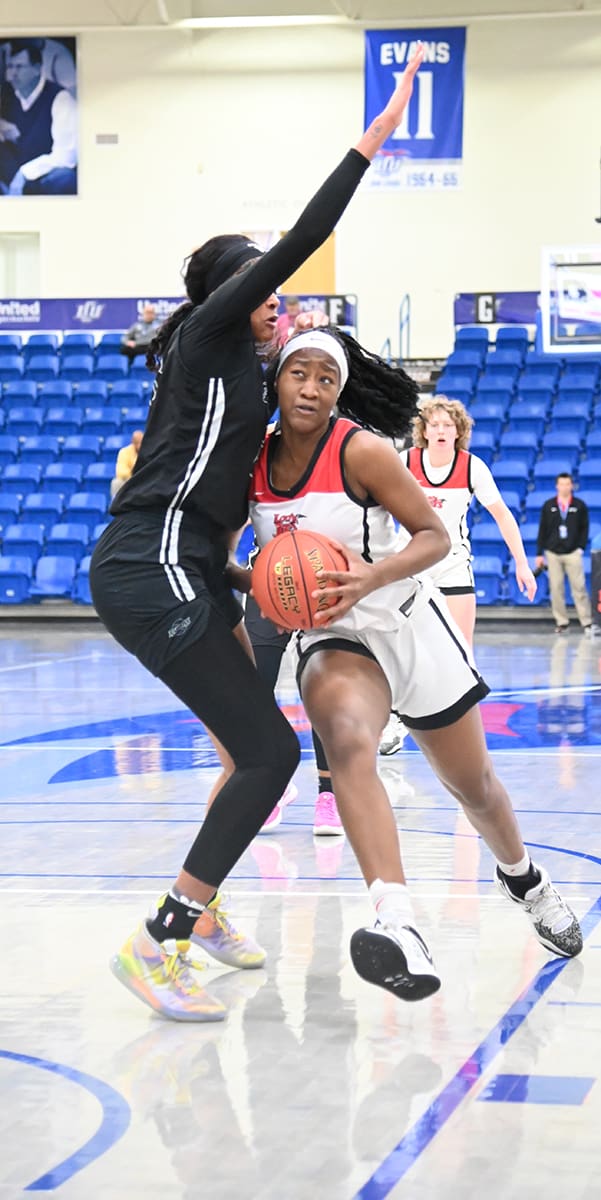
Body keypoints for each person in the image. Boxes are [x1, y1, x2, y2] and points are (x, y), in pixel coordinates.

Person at [89, 47, 427, 1023]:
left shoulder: (246, 379)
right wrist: (374, 136)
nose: (280, 306)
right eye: (267, 293)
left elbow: (219, 497)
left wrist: (252, 571)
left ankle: (205, 915)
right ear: (237, 294)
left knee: (249, 755)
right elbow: (309, 233)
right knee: (276, 754)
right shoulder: (213, 337)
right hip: (151, 565)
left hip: (187, 565)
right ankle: (159, 940)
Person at [245, 326, 582, 1003]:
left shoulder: (361, 451)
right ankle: (397, 922)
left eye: (325, 378)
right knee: (344, 743)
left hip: (403, 618)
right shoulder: (247, 463)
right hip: (333, 639)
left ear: (339, 390)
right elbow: (235, 553)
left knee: (473, 786)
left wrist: (369, 577)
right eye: (298, 374)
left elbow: (430, 537)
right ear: (276, 381)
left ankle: (523, 879)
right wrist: (256, 580)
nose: (311, 388)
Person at [0, 39, 77, 195]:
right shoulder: (6, 94)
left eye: (19, 67)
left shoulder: (60, 98)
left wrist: (24, 174)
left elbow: (67, 156)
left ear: (37, 68)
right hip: (8, 178)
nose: (12, 74)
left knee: (64, 178)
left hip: (40, 177)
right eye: (10, 67)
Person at [535, 472, 593, 636]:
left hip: (573, 552)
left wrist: (581, 547)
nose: (565, 487)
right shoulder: (548, 506)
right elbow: (542, 530)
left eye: (568, 484)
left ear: (572, 486)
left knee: (579, 587)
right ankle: (562, 622)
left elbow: (585, 528)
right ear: (557, 486)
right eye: (562, 484)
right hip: (553, 553)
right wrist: (540, 553)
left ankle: (587, 622)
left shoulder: (579, 505)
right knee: (556, 588)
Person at [110, 430, 144, 499]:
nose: (140, 445)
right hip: (130, 480)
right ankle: (116, 507)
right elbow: (121, 472)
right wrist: (134, 474)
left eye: (142, 442)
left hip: (145, 481)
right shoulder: (124, 452)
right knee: (116, 483)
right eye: (137, 443)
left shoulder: (149, 451)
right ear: (133, 442)